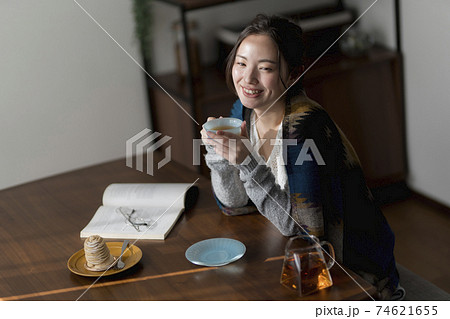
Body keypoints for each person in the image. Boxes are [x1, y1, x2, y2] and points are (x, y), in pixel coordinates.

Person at [200, 14, 403, 300]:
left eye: (266, 68)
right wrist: (219, 154)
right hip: (293, 256)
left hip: (352, 274)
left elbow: (303, 231)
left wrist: (246, 161)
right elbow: (233, 204)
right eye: (241, 63)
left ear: (294, 74)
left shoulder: (304, 126)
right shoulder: (244, 110)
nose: (248, 78)